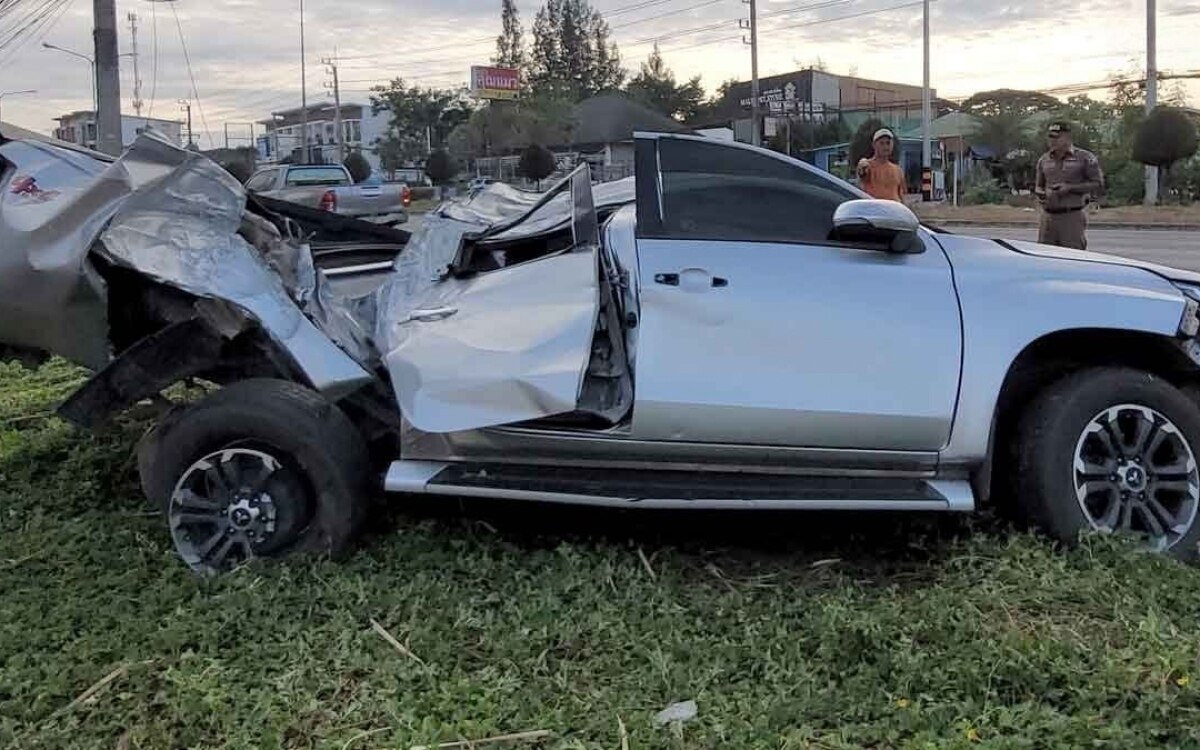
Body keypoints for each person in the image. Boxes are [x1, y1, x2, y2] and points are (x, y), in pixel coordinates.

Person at [1035, 121, 1104, 250]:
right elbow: (1038, 185)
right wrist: (1042, 193)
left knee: (1073, 257)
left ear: (1068, 137)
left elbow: (1097, 183)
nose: (1052, 141)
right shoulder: (1044, 159)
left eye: (1057, 137)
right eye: (1050, 137)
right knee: (1045, 257)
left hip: (1071, 215)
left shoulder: (1085, 157)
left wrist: (1070, 188)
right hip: (1048, 216)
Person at [856, 128, 906, 202]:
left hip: (893, 210)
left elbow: (901, 195)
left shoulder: (897, 170)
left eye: (888, 143)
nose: (885, 147)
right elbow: (861, 177)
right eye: (881, 143)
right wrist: (862, 165)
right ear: (874, 145)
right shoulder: (867, 166)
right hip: (875, 210)